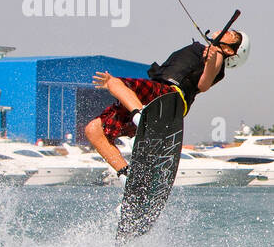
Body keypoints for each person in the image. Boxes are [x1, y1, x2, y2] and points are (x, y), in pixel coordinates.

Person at [84, 28, 248, 181]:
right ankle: (127, 177)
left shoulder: (217, 56)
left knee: (116, 82)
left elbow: (203, 85)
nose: (227, 31)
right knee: (94, 129)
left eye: (233, 35)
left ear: (230, 51)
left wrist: (211, 60)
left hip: (171, 97)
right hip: (154, 100)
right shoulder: (204, 50)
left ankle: (142, 120)